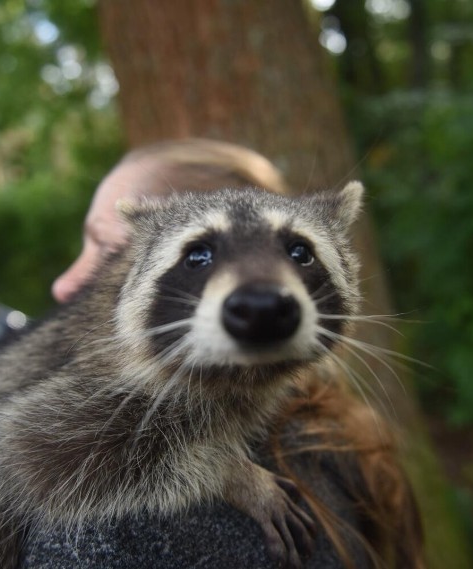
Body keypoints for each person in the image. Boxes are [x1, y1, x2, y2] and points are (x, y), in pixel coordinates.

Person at [29, 139, 424, 568]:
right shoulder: (335, 443)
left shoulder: (115, 530)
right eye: (198, 255)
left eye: (110, 252)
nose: (65, 286)